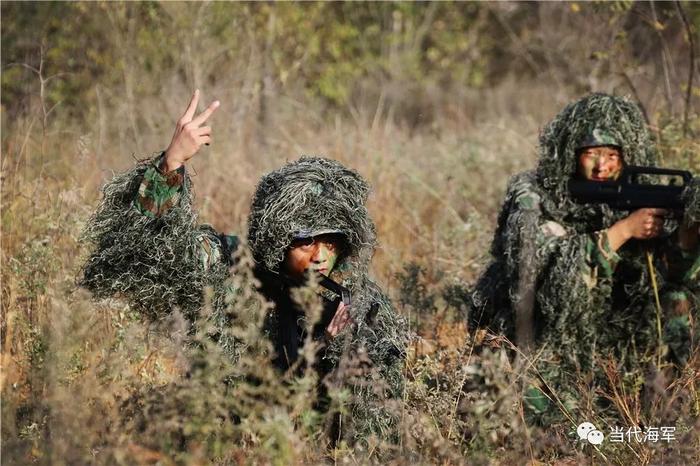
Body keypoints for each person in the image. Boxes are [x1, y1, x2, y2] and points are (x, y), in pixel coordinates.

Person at [80, 90, 407, 440]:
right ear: (277, 237)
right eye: (306, 240)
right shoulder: (231, 268)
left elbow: (375, 419)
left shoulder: (353, 301)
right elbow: (149, 252)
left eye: (331, 242)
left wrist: (338, 347)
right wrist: (169, 168)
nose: (320, 256)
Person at [470, 94, 699, 408]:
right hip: (543, 329)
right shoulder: (535, 196)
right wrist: (624, 231)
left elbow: (671, 276)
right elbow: (549, 283)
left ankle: (663, 406)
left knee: (677, 301)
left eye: (612, 154)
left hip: (611, 332)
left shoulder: (644, 190)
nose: (601, 165)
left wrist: (687, 235)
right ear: (569, 153)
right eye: (591, 153)